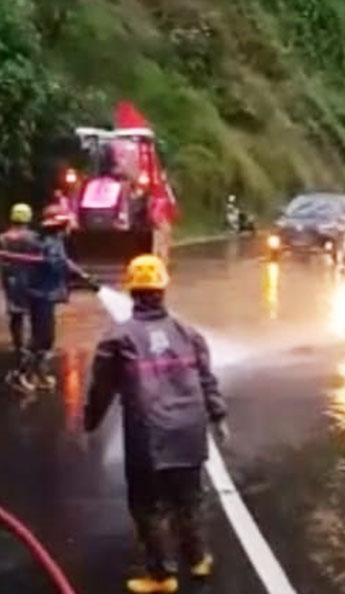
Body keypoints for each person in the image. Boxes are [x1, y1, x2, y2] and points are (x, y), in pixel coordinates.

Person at [84, 254, 228, 594]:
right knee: (189, 499)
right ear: (163, 290)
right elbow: (207, 378)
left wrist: (90, 422)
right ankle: (198, 559)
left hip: (149, 438)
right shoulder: (188, 333)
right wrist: (218, 416)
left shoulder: (118, 339)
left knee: (148, 505)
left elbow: (101, 389)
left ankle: (162, 575)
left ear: (132, 292)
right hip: (190, 433)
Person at [19, 204, 94, 393]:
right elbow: (58, 263)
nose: (69, 226)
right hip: (40, 295)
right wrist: (81, 276)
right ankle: (21, 374)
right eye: (66, 222)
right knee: (42, 337)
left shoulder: (54, 239)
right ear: (59, 224)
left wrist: (82, 275)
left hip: (46, 294)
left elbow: (63, 261)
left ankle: (39, 374)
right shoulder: (46, 242)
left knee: (46, 338)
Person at [0, 203, 38, 366]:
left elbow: (1, 261)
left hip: (11, 277)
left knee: (15, 313)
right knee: (35, 311)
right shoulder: (34, 237)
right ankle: (34, 345)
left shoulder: (2, 238)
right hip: (30, 277)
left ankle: (18, 345)